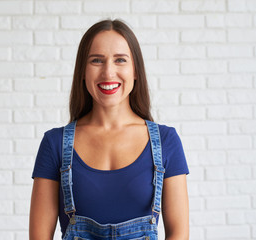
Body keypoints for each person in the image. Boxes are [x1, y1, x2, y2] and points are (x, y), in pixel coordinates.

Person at [29, 19, 189, 240]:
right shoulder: (54, 144)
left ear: (135, 71)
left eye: (120, 60)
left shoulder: (166, 141)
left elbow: (179, 234)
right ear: (82, 71)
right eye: (96, 60)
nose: (108, 72)